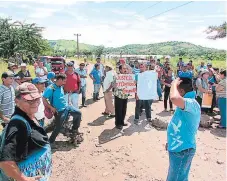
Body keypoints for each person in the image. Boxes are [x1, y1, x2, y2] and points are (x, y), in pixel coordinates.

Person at [0, 82, 52, 181]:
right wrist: (25, 179)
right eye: (29, 100)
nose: (35, 103)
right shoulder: (18, 125)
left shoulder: (29, 115)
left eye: (36, 99)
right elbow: (5, 163)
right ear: (17, 101)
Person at [166, 77, 201, 181]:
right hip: (178, 147)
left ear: (181, 91)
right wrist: (170, 141)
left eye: (176, 90)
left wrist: (174, 83)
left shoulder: (192, 103)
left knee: (176, 178)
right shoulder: (186, 103)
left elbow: (174, 98)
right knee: (176, 177)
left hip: (183, 150)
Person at [43, 74, 82, 146]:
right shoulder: (51, 88)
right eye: (64, 81)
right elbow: (44, 99)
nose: (65, 82)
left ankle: (74, 129)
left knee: (78, 113)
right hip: (59, 110)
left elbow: (60, 97)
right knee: (58, 126)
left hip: (67, 107)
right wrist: (51, 108)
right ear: (60, 80)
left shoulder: (60, 86)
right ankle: (50, 141)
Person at [113, 64, 130, 129]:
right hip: (118, 95)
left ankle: (122, 121)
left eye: (126, 68)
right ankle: (118, 123)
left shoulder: (128, 77)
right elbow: (114, 85)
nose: (125, 70)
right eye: (124, 68)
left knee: (124, 109)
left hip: (125, 95)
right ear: (120, 70)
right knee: (118, 110)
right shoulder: (117, 76)